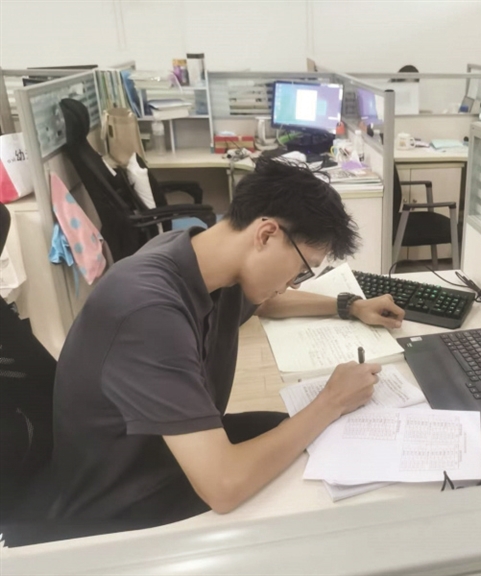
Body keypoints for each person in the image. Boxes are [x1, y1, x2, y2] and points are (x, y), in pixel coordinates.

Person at [39, 157, 405, 534]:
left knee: (309, 437)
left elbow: (268, 301)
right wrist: (332, 400)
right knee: (317, 491)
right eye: (301, 269)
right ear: (266, 234)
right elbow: (223, 487)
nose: (292, 284)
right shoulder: (147, 312)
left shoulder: (199, 255)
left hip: (164, 448)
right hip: (123, 499)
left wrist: (350, 306)